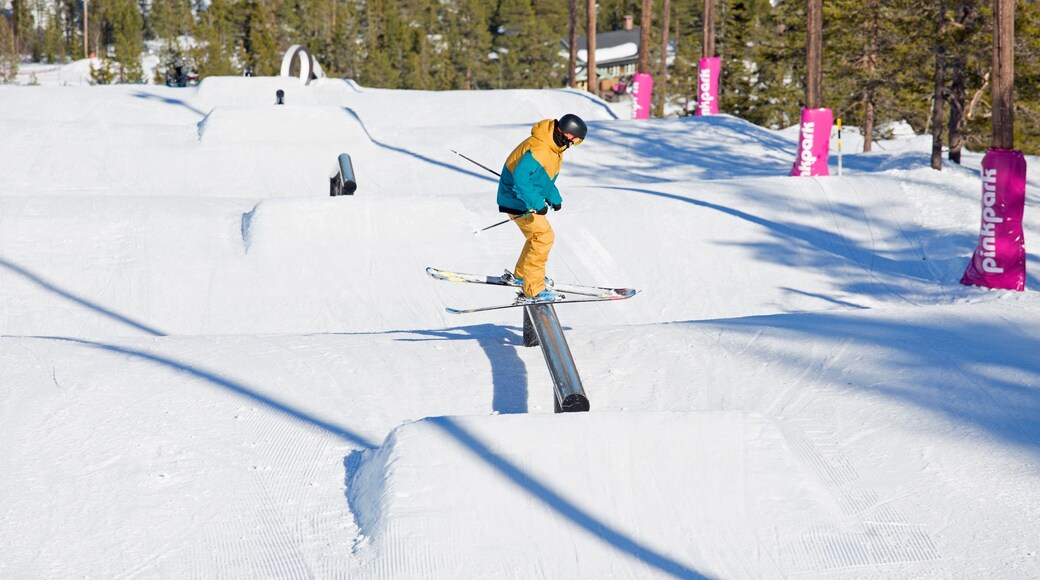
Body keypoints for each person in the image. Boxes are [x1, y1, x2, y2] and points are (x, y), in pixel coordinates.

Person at [496, 113, 587, 302]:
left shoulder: (552, 147)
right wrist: (537, 203)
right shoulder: (541, 148)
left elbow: (541, 178)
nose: (573, 145)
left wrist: (553, 197)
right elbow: (521, 178)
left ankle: (523, 275)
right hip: (517, 199)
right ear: (567, 134)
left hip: (519, 197)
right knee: (543, 237)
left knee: (536, 236)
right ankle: (533, 288)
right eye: (576, 141)